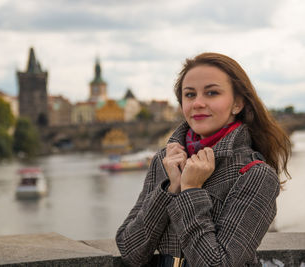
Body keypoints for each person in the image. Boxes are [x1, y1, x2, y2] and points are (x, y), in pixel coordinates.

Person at [116, 52, 291, 267]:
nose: (198, 103)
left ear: (237, 104)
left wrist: (190, 190)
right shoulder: (165, 160)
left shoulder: (255, 174)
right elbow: (130, 252)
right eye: (190, 95)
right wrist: (170, 189)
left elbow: (218, 264)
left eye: (211, 93)